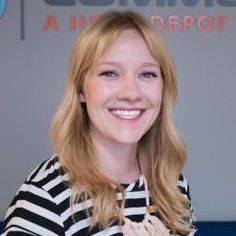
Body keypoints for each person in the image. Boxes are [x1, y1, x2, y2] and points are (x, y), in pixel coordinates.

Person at [2, 10, 197, 236]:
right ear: (80, 89)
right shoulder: (46, 197)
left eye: (147, 74)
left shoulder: (173, 186)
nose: (131, 93)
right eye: (110, 73)